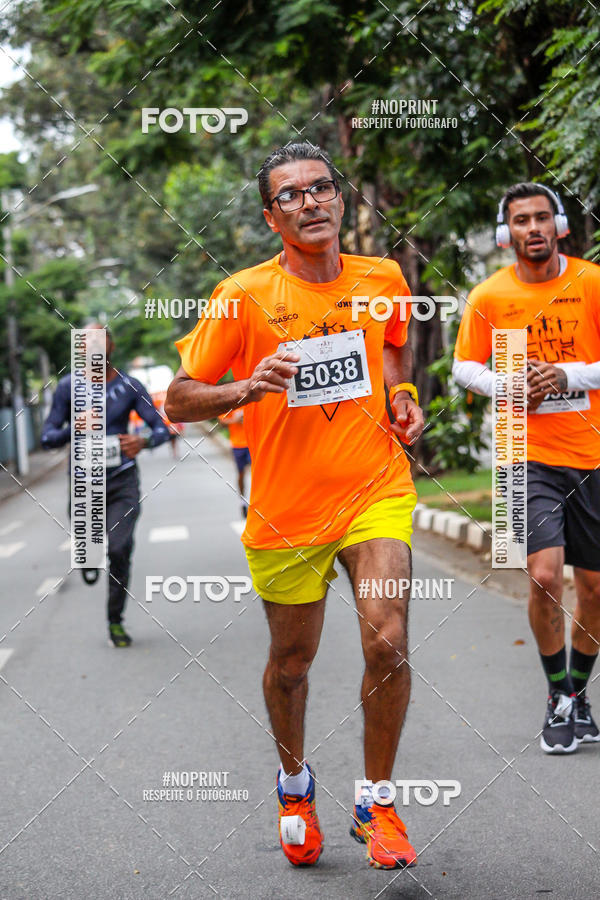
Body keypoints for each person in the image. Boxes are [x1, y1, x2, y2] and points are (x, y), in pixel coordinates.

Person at [165, 142, 425, 870]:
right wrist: (246, 387)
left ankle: (377, 803)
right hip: (285, 511)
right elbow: (180, 399)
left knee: (388, 637)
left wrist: (402, 397)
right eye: (291, 195)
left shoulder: (384, 277)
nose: (310, 202)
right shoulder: (242, 296)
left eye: (321, 189)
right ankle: (294, 784)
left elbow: (394, 350)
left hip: (375, 489)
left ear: (340, 200)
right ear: (269, 215)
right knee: (291, 662)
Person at [453, 183, 600, 753]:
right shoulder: (490, 297)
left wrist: (570, 377)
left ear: (558, 225)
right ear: (505, 232)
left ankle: (578, 694)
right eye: (521, 220)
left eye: (542, 218)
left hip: (591, 454)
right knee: (542, 575)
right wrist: (507, 384)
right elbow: (465, 366)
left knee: (592, 587)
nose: (533, 228)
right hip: (522, 454)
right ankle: (557, 695)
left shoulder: (589, 283)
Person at [41, 324, 171, 647]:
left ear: (111, 345)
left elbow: (162, 430)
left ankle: (115, 620)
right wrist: (74, 427)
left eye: (100, 339)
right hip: (84, 484)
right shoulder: (68, 388)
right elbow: (46, 438)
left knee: (120, 548)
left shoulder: (129, 386)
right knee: (90, 550)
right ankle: (87, 556)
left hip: (122, 480)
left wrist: (141, 442)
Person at [218, 409, 250, 516]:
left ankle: (257, 501)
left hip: (253, 442)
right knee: (241, 474)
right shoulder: (231, 402)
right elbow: (222, 422)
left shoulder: (252, 399)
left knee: (257, 472)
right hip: (237, 444)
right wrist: (235, 420)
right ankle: (243, 501)